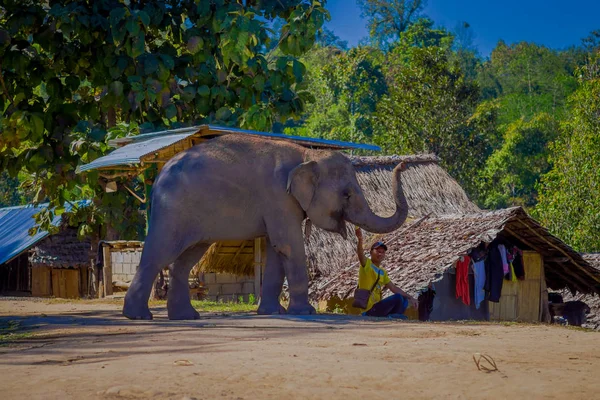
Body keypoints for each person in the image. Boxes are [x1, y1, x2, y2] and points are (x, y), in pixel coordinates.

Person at [355, 227, 418, 318]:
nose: (380, 254)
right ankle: (393, 317)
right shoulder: (367, 264)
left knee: (403, 299)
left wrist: (410, 297)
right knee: (397, 297)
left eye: (382, 252)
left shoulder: (382, 272)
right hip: (369, 310)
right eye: (377, 251)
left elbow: (393, 287)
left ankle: (393, 317)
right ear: (371, 252)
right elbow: (360, 253)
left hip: (378, 307)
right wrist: (360, 239)